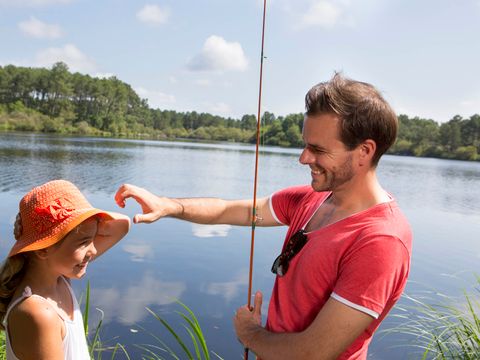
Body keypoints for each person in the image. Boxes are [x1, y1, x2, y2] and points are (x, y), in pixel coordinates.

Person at [114, 73, 412, 360]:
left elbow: (314, 353)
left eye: (318, 149)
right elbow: (232, 210)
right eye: (305, 145)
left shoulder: (380, 241)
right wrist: (168, 206)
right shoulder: (311, 199)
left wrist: (251, 334)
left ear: (364, 151)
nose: (304, 158)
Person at [0, 180, 130, 360]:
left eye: (93, 239)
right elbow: (122, 226)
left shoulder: (59, 276)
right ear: (43, 249)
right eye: (84, 242)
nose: (92, 250)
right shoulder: (38, 314)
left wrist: (89, 222)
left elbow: (123, 224)